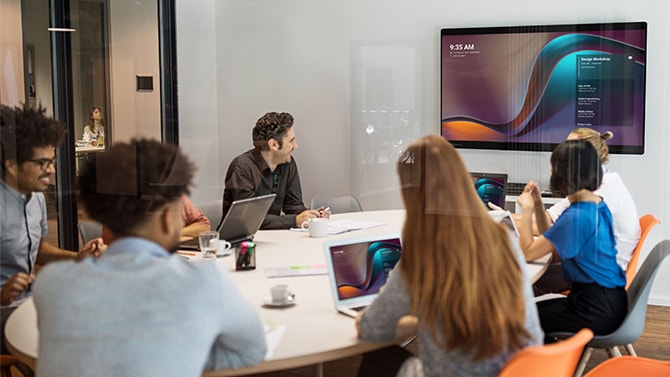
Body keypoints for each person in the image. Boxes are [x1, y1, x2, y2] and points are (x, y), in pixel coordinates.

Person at [32, 139, 267, 376]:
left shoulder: (51, 282)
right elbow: (251, 351)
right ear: (167, 218)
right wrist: (184, 353)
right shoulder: (203, 281)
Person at [356, 135, 543, 377]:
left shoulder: (424, 256)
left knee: (377, 359)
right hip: (521, 370)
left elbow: (372, 328)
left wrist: (395, 320)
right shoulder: (504, 239)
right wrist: (421, 320)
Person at [1, 104, 104, 375]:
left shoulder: (35, 197)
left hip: (31, 300)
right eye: (42, 164)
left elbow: (35, 251)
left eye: (52, 161)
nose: (51, 171)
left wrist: (77, 256)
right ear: (11, 164)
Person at [517, 139, 627, 339]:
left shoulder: (577, 217)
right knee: (530, 314)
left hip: (593, 309)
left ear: (564, 178)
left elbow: (527, 251)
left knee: (516, 319)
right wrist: (539, 206)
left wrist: (526, 210)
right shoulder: (596, 205)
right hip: (611, 301)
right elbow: (550, 235)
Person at [534, 128, 640, 295]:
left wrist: (525, 215)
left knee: (521, 279)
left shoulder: (599, 193)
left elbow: (554, 244)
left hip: (595, 277)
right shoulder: (601, 184)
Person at [222, 112, 329, 229]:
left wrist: (311, 215)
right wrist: (295, 220)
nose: (295, 146)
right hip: (238, 241)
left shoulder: (287, 163)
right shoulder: (242, 168)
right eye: (291, 140)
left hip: (272, 237)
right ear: (273, 144)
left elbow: (293, 205)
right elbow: (250, 218)